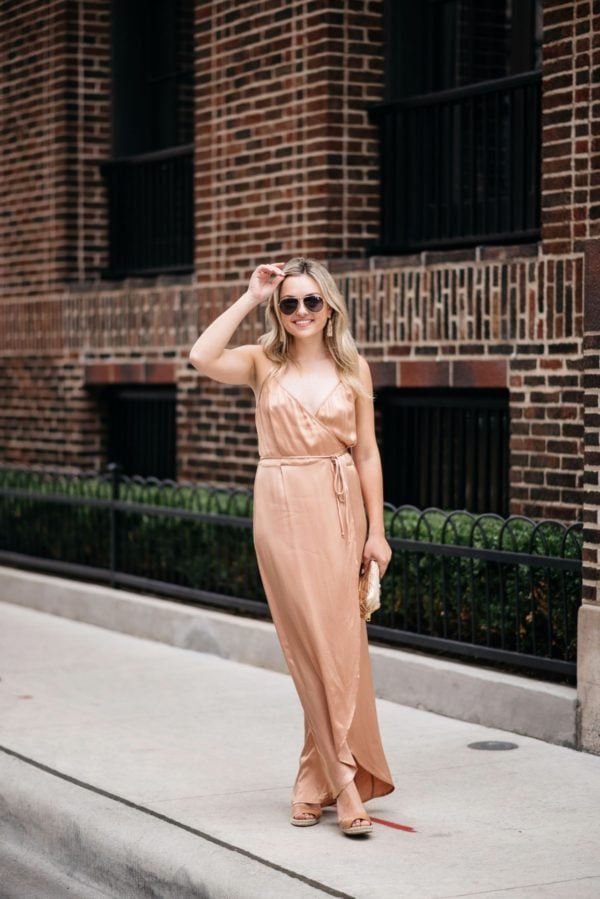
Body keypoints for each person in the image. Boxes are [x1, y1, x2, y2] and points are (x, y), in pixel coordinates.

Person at [189, 257, 395, 837]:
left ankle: (314, 782)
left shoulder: (355, 366)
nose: (301, 312)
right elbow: (201, 357)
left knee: (339, 645)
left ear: (329, 305)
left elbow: (368, 454)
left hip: (338, 504)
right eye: (289, 303)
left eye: (311, 301)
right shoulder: (261, 361)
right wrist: (251, 296)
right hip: (279, 504)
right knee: (305, 642)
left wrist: (376, 531)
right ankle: (347, 785)